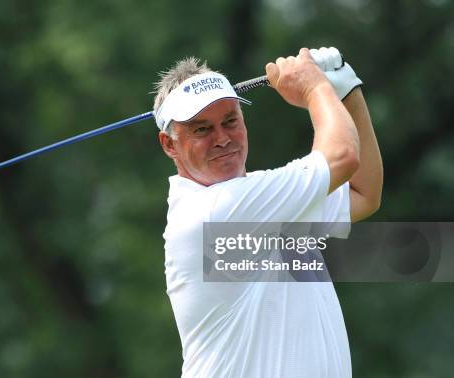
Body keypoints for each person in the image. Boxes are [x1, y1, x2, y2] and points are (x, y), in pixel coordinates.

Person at [154, 47, 383, 377]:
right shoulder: (212, 213)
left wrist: (346, 92)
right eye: (202, 129)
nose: (222, 139)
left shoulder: (261, 197)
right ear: (169, 144)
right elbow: (343, 156)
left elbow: (363, 193)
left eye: (230, 121)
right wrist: (315, 88)